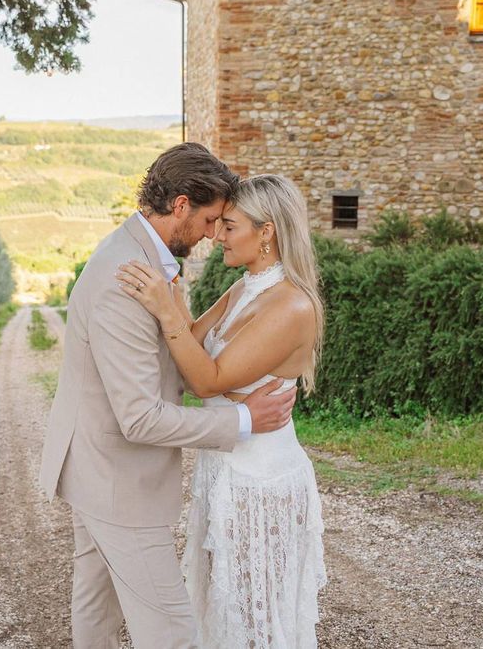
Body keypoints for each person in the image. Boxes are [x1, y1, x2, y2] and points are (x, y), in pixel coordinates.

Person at [39, 143, 298, 649]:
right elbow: (140, 418)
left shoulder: (144, 262)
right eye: (208, 221)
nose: (210, 236)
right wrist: (243, 420)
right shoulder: (127, 278)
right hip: (119, 482)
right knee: (172, 632)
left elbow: (170, 361)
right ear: (180, 205)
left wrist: (174, 314)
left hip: (95, 469)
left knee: (95, 612)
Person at [116, 173, 327, 648]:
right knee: (223, 606)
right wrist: (171, 296)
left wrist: (169, 313)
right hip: (224, 466)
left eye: (229, 226)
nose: (217, 236)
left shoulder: (292, 304)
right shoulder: (245, 287)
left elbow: (203, 378)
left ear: (266, 231)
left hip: (262, 480)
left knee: (255, 616)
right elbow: (190, 348)